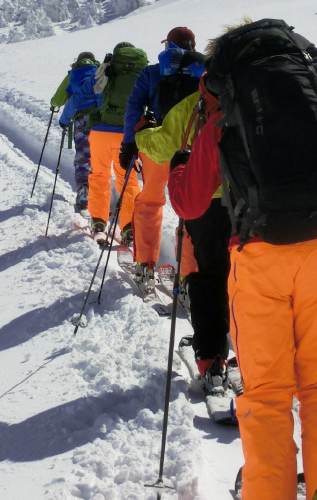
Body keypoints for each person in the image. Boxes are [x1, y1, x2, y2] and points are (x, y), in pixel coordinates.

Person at [168, 18, 317, 500]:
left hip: (258, 255)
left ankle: (270, 490)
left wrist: (178, 168)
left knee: (267, 392)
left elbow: (189, 204)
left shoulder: (225, 115)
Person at [136, 82, 234, 395]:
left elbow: (162, 146)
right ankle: (260, 358)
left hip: (205, 201)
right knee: (249, 279)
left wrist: (141, 134)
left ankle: (210, 362)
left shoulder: (197, 102)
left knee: (209, 277)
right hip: (253, 203)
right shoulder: (259, 94)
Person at [120, 26, 204, 285]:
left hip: (158, 146)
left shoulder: (152, 72)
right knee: (191, 209)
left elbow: (134, 107)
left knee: (150, 202)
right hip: (193, 148)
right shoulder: (202, 71)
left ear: (168, 46)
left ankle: (145, 265)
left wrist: (129, 144)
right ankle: (189, 278)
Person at [80, 42, 146, 244]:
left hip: (101, 132)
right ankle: (129, 227)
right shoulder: (142, 73)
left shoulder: (105, 69)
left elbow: (84, 95)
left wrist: (69, 118)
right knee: (128, 179)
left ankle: (98, 221)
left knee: (99, 175)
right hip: (128, 135)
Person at [50, 51, 100, 214]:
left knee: (83, 156)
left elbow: (59, 98)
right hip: (99, 120)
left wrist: (54, 104)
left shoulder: (73, 73)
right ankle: (100, 195)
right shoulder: (100, 72)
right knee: (99, 157)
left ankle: (84, 193)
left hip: (81, 121)